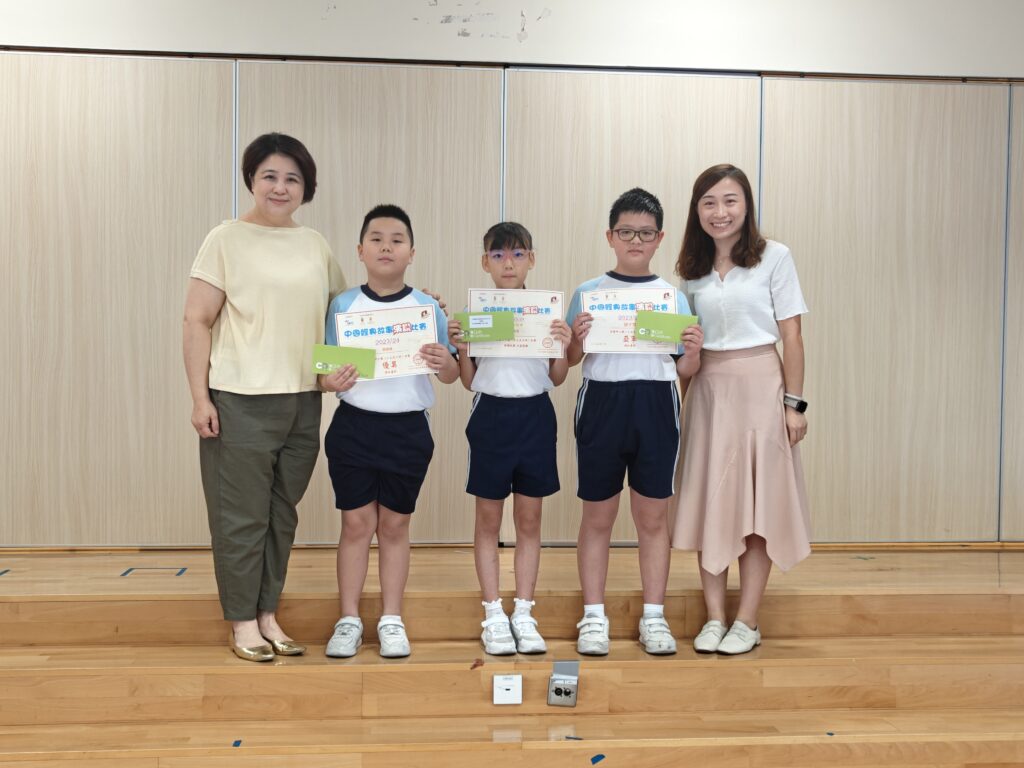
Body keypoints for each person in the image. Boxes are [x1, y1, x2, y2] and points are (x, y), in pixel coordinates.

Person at [183, 133, 346, 662]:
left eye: (292, 178)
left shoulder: (315, 244)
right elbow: (196, 319)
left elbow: (341, 319)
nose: (280, 187)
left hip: (303, 401)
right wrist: (200, 398)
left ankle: (268, 613)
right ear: (252, 180)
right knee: (240, 517)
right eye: (270, 176)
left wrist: (414, 311)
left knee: (281, 515)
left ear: (306, 187)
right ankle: (242, 621)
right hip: (240, 399)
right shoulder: (225, 239)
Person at [672, 164, 810, 655]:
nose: (720, 212)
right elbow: (684, 348)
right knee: (712, 501)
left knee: (758, 507)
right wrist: (677, 406)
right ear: (697, 210)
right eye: (708, 202)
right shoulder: (691, 269)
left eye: (730, 200)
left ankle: (747, 620)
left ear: (746, 205)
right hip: (709, 392)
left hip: (762, 389)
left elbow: (792, 335)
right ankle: (714, 617)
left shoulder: (775, 257)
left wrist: (794, 404)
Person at [566, 188, 704, 656]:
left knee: (652, 517)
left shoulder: (672, 298)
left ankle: (654, 616)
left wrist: (694, 351)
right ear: (610, 236)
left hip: (656, 403)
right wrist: (576, 339)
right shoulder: (588, 293)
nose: (635, 241)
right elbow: (570, 359)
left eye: (645, 233)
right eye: (626, 232)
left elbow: (684, 369)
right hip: (602, 403)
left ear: (660, 238)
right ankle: (593, 616)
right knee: (597, 516)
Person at [321, 204, 459, 659]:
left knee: (395, 525)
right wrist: (331, 380)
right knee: (356, 524)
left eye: (397, 240)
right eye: (376, 239)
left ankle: (392, 619)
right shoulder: (343, 305)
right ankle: (348, 619)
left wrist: (446, 362)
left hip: (408, 430)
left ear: (411, 253)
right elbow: (325, 371)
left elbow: (449, 375)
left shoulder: (427, 308)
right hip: (354, 427)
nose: (386, 247)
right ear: (360, 250)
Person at [447, 222, 572, 655]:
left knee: (529, 520)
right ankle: (492, 612)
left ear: (531, 260)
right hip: (491, 416)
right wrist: (463, 348)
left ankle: (523, 610)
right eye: (498, 255)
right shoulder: (477, 312)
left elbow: (558, 377)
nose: (508, 263)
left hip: (536, 415)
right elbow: (469, 381)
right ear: (485, 262)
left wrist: (562, 345)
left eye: (518, 254)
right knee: (488, 519)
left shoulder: (546, 312)